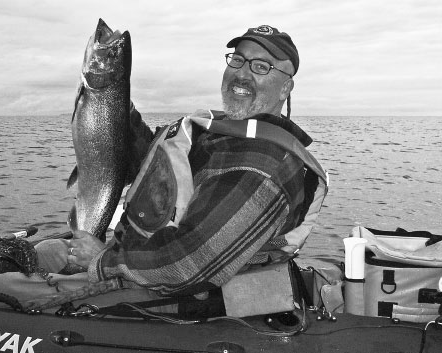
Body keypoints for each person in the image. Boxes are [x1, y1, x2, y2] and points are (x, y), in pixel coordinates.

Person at [36, 24, 328, 297]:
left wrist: (100, 260)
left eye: (261, 67)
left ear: (285, 88)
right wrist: (114, 108)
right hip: (131, 258)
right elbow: (153, 173)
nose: (242, 73)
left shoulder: (263, 166)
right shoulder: (224, 134)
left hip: (165, 298)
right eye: (237, 60)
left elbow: (188, 264)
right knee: (42, 251)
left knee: (2, 287)